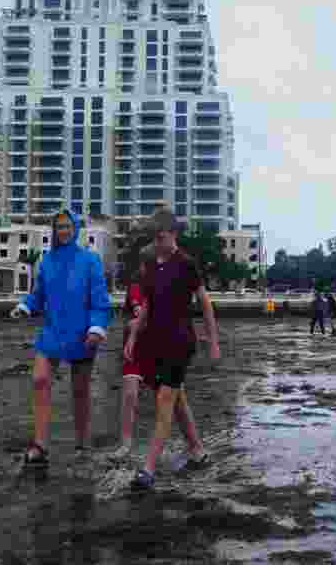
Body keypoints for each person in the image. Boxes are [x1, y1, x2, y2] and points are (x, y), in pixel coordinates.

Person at [125, 208, 220, 490]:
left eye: (160, 236)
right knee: (177, 399)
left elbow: (204, 302)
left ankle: (148, 468)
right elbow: (149, 305)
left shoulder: (187, 263)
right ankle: (198, 451)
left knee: (165, 401)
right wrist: (132, 338)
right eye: (153, 237)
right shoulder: (152, 265)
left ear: (173, 234)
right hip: (156, 341)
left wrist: (213, 341)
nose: (156, 241)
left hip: (181, 342)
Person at [10, 209, 112, 467]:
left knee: (80, 392)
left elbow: (100, 302)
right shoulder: (47, 261)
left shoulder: (90, 260)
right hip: (52, 332)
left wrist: (96, 328)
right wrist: (25, 307)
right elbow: (38, 295)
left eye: (67, 226)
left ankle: (82, 445)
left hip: (82, 335)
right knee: (40, 379)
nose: (63, 231)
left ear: (76, 229)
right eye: (59, 227)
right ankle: (40, 445)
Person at [109, 246, 157, 460]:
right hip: (134, 347)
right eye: (146, 264)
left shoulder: (165, 286)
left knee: (170, 398)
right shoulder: (135, 288)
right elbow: (137, 317)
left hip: (159, 347)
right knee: (129, 395)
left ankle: (173, 441)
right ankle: (126, 444)